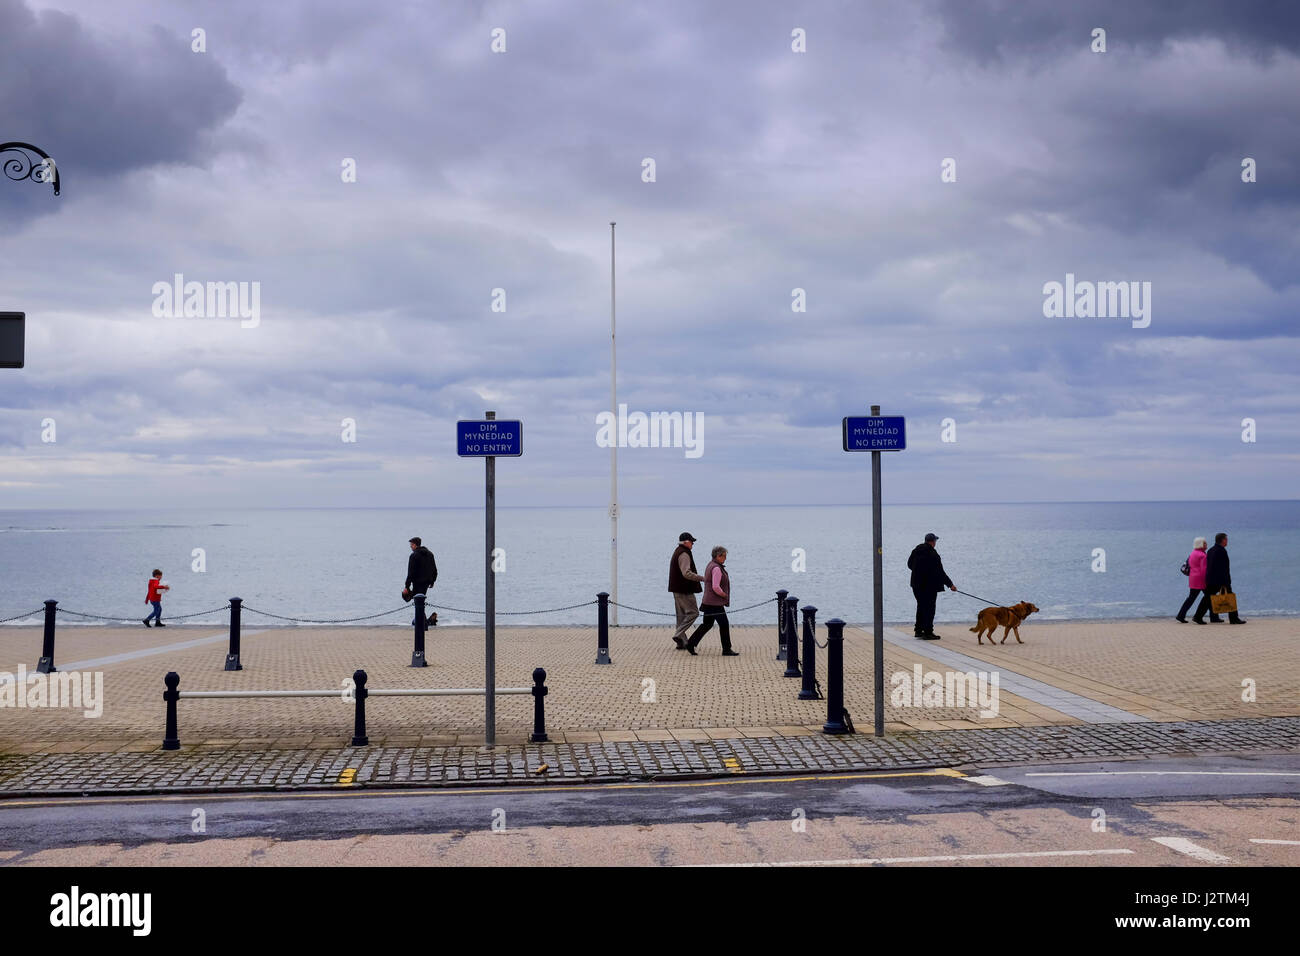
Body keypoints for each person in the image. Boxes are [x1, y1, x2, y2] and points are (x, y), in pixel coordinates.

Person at [685, 545, 738, 656]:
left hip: (708, 602)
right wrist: (724, 595)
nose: (725, 558)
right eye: (724, 556)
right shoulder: (717, 568)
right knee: (724, 624)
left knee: (707, 624)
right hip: (715, 603)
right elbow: (715, 586)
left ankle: (690, 643)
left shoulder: (711, 565)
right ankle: (726, 649)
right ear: (718, 556)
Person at [908, 532, 955, 640]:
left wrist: (918, 573)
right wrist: (950, 585)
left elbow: (910, 564)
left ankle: (918, 630)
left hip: (916, 584)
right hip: (929, 586)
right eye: (935, 541)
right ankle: (928, 632)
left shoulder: (916, 550)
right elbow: (940, 572)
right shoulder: (933, 555)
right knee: (929, 608)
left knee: (921, 606)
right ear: (933, 542)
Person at [1194, 532, 1245, 625]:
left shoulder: (1211, 550)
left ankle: (1197, 616)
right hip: (1220, 580)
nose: (1227, 541)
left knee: (1207, 598)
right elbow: (1223, 568)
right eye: (1226, 539)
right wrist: (1226, 581)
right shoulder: (1221, 551)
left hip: (1210, 579)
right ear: (1222, 540)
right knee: (1230, 596)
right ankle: (1234, 618)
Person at [668, 532, 706, 649]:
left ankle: (682, 642)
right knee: (694, 613)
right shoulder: (684, 554)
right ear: (686, 542)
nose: (693, 544)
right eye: (691, 542)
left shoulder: (677, 551)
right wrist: (702, 578)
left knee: (681, 616)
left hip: (676, 589)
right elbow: (686, 573)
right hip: (685, 589)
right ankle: (678, 634)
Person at [405, 536, 439, 627]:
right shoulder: (430, 554)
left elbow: (410, 572)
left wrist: (407, 586)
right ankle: (424, 621)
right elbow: (434, 570)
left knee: (418, 602)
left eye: (411, 545)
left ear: (415, 545)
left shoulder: (414, 556)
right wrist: (432, 581)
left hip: (417, 582)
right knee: (420, 601)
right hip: (426, 583)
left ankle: (422, 622)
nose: (410, 547)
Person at [1176, 537, 1208, 623]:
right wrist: (1207, 580)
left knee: (1191, 598)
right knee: (1209, 597)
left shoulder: (1193, 553)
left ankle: (1180, 615)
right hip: (1200, 579)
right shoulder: (1203, 555)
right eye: (1205, 543)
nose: (1206, 545)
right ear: (1201, 544)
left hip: (1193, 578)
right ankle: (1200, 617)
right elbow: (1204, 570)